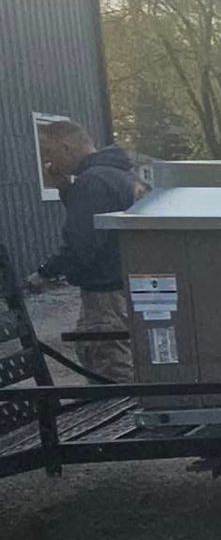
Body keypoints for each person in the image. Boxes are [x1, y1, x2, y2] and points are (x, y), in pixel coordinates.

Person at [25, 117, 140, 383]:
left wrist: (44, 273)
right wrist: (67, 189)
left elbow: (81, 243)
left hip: (104, 295)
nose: (48, 163)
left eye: (50, 153)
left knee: (110, 367)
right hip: (125, 284)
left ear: (66, 147)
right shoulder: (121, 175)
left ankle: (119, 422)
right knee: (125, 358)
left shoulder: (92, 182)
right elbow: (97, 225)